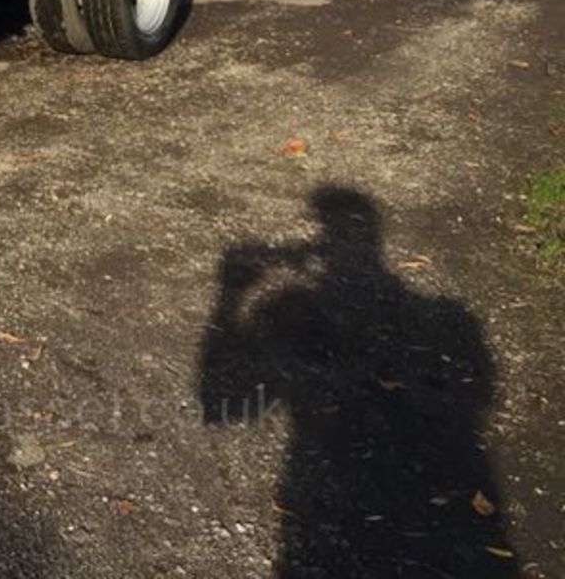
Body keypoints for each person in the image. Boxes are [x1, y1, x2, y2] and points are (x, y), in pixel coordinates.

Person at [197, 187, 515, 576]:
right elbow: (481, 392)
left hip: (319, 499)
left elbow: (221, 403)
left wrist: (230, 296)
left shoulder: (288, 307)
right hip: (451, 500)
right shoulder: (449, 318)